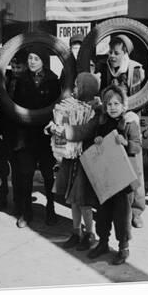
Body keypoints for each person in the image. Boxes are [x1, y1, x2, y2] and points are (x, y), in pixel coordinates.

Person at [58, 85, 144, 265]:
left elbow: (136, 146)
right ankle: (103, 242)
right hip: (105, 178)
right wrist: (96, 141)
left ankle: (123, 247)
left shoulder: (129, 123)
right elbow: (94, 142)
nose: (112, 107)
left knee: (122, 215)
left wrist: (126, 142)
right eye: (109, 104)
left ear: (123, 105)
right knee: (103, 214)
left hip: (123, 180)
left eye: (116, 103)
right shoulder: (102, 122)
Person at [97, 34, 146, 228]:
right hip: (109, 119)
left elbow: (142, 95)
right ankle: (113, 206)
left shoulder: (135, 69)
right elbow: (101, 92)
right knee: (111, 165)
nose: (112, 56)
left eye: (116, 52)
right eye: (110, 52)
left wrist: (132, 114)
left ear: (124, 52)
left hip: (129, 121)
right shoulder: (105, 69)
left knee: (135, 169)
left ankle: (136, 210)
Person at [9, 46, 60, 228]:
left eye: (35, 58)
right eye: (30, 58)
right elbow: (13, 104)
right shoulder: (20, 79)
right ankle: (26, 212)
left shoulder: (53, 80)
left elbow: (58, 105)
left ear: (43, 61)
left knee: (48, 174)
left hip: (46, 133)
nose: (31, 62)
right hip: (26, 133)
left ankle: (51, 209)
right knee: (26, 174)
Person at [50, 72, 101, 251]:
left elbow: (84, 131)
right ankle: (76, 231)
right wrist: (54, 126)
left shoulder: (96, 111)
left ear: (87, 89)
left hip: (85, 162)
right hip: (71, 159)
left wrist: (63, 131)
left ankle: (90, 233)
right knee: (72, 200)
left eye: (78, 86)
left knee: (84, 201)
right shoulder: (73, 106)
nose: (74, 90)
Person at [0, 51, 28, 214]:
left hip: (20, 130)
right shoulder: (5, 79)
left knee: (19, 168)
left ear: (25, 66)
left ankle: (19, 203)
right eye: (13, 65)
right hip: (3, 127)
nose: (16, 69)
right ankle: (1, 197)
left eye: (19, 66)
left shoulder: (29, 81)